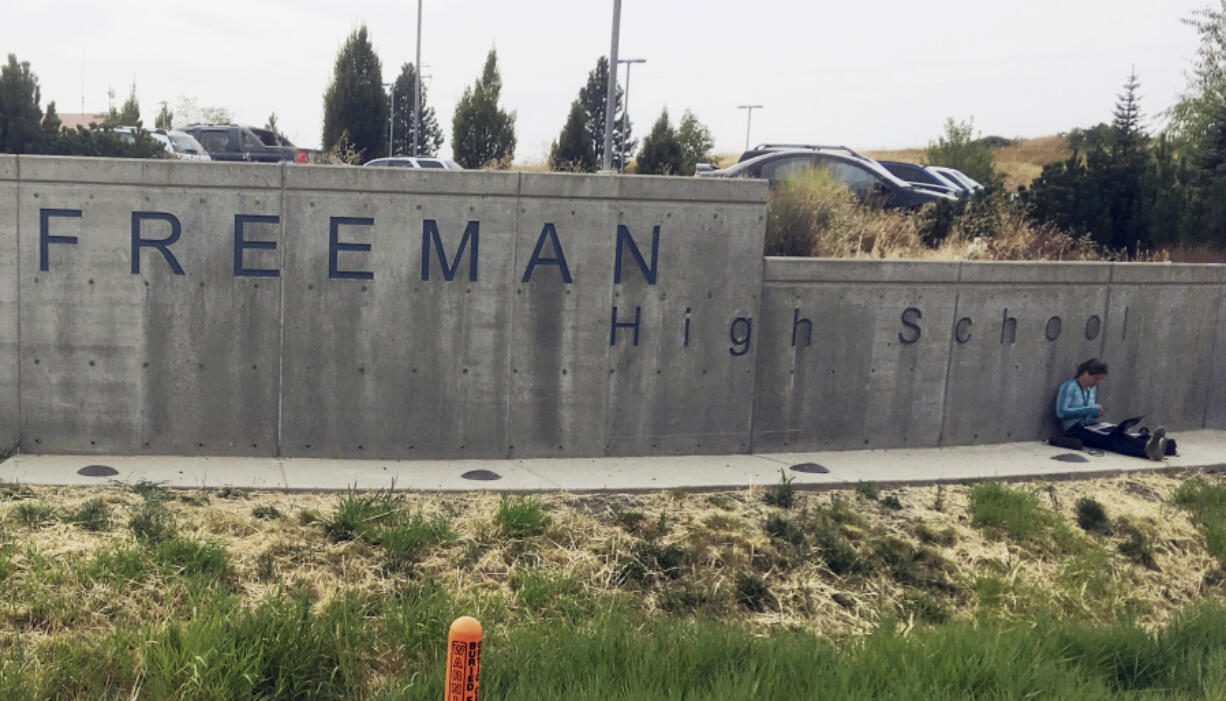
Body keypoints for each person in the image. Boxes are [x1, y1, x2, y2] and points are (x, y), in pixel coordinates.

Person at [1055, 358, 1167, 461]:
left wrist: (1096, 413)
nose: (1097, 382)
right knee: (1111, 440)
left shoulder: (1092, 389)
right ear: (1085, 373)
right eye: (1096, 378)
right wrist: (1089, 409)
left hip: (1091, 425)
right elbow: (1061, 412)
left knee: (1118, 432)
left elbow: (1088, 413)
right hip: (1075, 429)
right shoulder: (1069, 386)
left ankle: (1157, 444)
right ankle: (1147, 451)